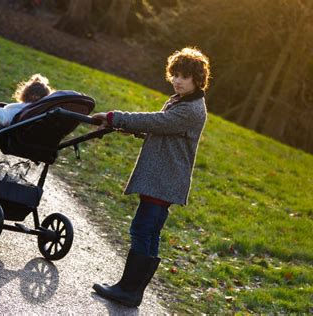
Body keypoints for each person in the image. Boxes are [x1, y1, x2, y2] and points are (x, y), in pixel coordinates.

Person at [91, 47, 210, 307]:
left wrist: (113, 117)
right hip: (162, 178)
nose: (178, 80)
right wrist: (123, 127)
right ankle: (131, 291)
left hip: (164, 180)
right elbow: (163, 131)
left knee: (143, 230)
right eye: (175, 74)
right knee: (149, 232)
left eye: (185, 77)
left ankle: (129, 290)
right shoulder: (183, 101)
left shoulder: (190, 109)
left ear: (198, 80)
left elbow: (158, 122)